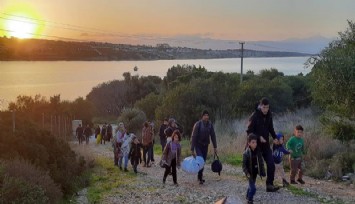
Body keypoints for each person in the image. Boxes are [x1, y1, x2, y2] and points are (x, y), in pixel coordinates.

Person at [246, 97, 279, 192]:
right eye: (264, 107)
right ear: (261, 106)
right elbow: (249, 131)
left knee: (271, 163)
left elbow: (271, 129)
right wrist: (258, 137)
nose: (266, 109)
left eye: (267, 107)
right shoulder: (254, 116)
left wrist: (275, 138)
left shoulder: (269, 115)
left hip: (266, 145)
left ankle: (269, 185)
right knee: (255, 167)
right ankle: (251, 187)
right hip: (255, 146)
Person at [190, 110, 217, 185]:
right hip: (198, 145)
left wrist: (215, 147)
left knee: (203, 161)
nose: (206, 117)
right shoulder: (198, 124)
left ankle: (199, 176)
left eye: (207, 115)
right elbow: (194, 137)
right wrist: (192, 148)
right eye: (205, 115)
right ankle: (200, 177)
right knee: (200, 160)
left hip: (205, 145)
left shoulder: (210, 125)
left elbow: (213, 135)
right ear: (202, 116)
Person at [243, 134, 266, 204]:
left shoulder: (258, 151)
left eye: (255, 142)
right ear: (249, 143)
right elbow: (243, 166)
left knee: (251, 186)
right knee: (253, 188)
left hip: (255, 173)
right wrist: (247, 173)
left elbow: (261, 162)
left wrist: (262, 171)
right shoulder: (246, 153)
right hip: (249, 174)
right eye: (253, 142)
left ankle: (247, 196)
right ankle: (249, 200)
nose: (255, 144)